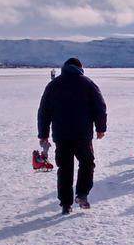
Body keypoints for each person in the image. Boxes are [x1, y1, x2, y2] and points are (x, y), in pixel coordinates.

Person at [37, 58, 107, 215]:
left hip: (61, 135)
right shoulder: (88, 83)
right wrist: (100, 128)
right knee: (87, 164)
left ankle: (66, 204)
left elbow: (43, 111)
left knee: (65, 168)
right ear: (80, 68)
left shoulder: (53, 85)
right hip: (82, 134)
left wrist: (43, 134)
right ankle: (82, 194)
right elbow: (99, 107)